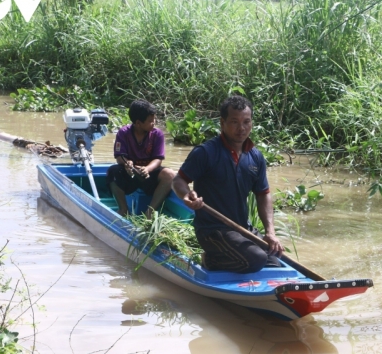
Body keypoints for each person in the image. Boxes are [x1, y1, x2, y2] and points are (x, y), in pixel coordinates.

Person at [172, 95, 284, 273]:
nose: (241, 128)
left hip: (242, 228)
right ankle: (211, 259)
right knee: (257, 259)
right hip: (212, 230)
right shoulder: (206, 153)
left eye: (246, 122)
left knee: (276, 259)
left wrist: (270, 232)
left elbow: (263, 194)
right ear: (222, 123)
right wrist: (186, 195)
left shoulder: (256, 157)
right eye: (234, 122)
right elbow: (179, 180)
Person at [107, 99, 176, 217]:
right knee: (112, 172)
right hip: (130, 174)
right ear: (138, 123)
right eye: (150, 121)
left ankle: (150, 212)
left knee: (170, 174)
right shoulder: (123, 133)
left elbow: (158, 159)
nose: (154, 123)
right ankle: (124, 209)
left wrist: (147, 169)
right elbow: (120, 156)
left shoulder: (157, 134)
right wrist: (127, 164)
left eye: (154, 119)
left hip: (148, 174)